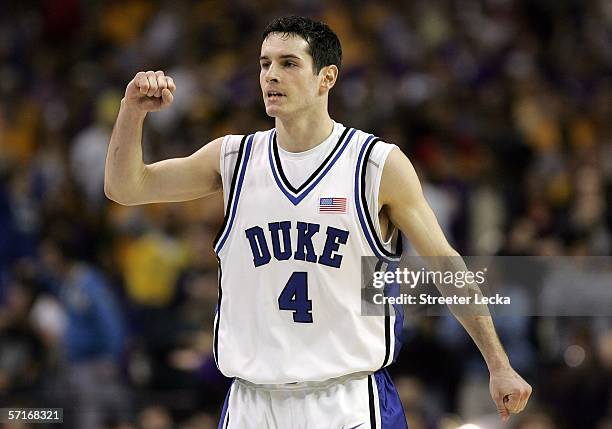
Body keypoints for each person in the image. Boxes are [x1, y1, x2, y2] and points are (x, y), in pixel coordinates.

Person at [105, 15, 531, 429]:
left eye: (289, 63)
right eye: (265, 63)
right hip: (252, 401)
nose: (271, 75)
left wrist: (498, 363)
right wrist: (131, 111)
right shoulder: (232, 159)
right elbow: (126, 188)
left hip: (346, 400)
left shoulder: (375, 165)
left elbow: (445, 265)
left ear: (327, 77)